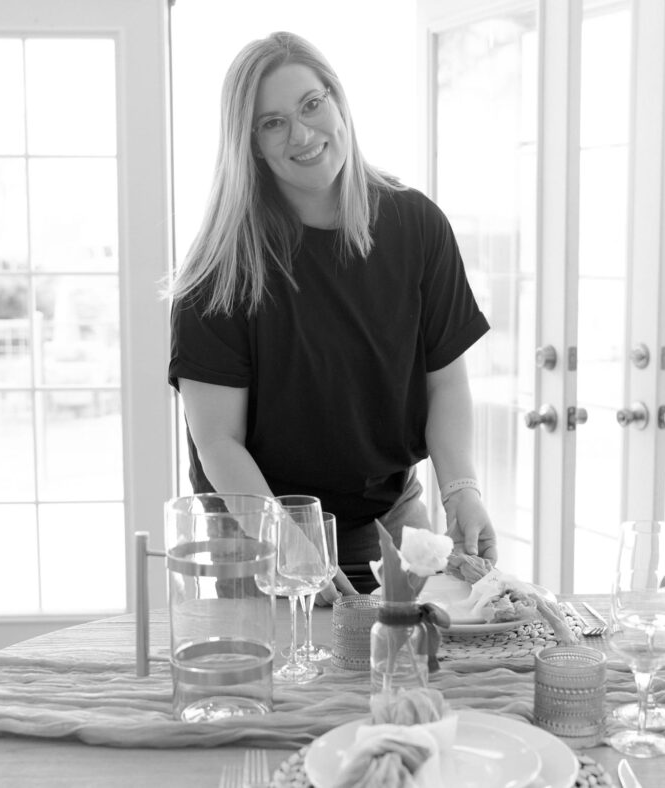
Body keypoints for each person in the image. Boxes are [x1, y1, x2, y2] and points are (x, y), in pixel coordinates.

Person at [167, 31, 495, 597]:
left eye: (311, 104)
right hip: (256, 527)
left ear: (338, 101)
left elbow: (445, 383)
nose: (301, 134)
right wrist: (290, 547)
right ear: (250, 145)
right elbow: (218, 441)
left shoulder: (418, 226)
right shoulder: (219, 271)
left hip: (388, 513)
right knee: (285, 684)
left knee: (407, 674)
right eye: (272, 123)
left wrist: (462, 490)